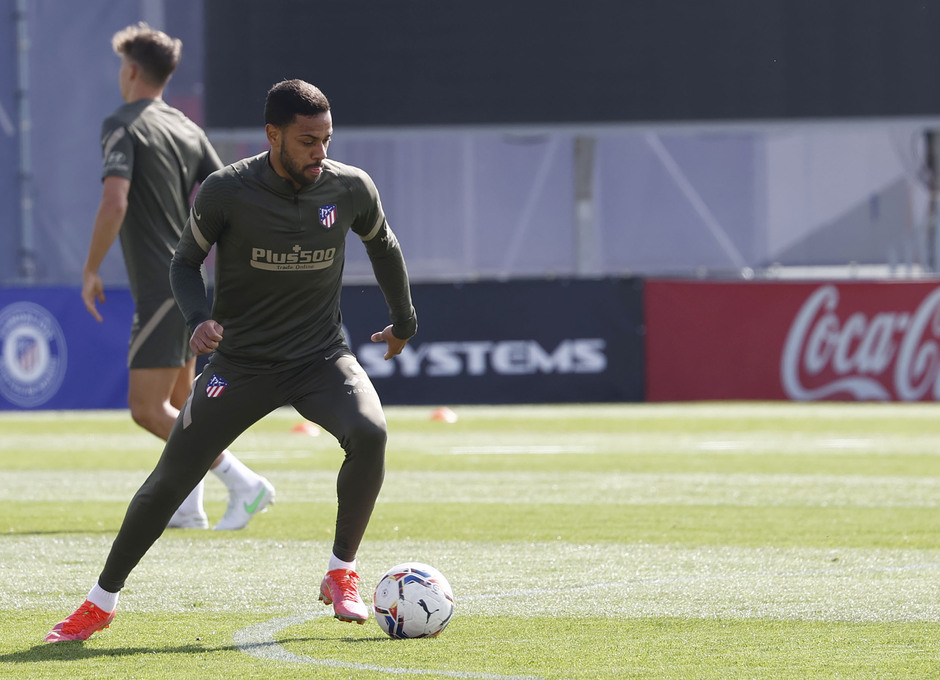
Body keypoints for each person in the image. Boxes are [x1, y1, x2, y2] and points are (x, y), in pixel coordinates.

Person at [45, 78, 418, 643]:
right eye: (307, 141)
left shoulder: (349, 187)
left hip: (320, 357)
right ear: (273, 136)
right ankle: (99, 603)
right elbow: (182, 265)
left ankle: (341, 572)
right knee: (168, 481)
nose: (321, 152)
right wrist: (198, 321)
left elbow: (384, 244)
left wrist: (405, 320)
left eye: (327, 139)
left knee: (371, 433)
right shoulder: (226, 191)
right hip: (240, 363)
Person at [81, 22, 274, 531]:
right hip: (191, 281)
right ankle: (189, 509)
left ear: (130, 71)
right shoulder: (187, 128)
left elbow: (114, 199)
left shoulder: (122, 123)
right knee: (181, 407)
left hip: (162, 283)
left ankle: (245, 483)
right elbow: (227, 191)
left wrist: (91, 267)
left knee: (147, 409)